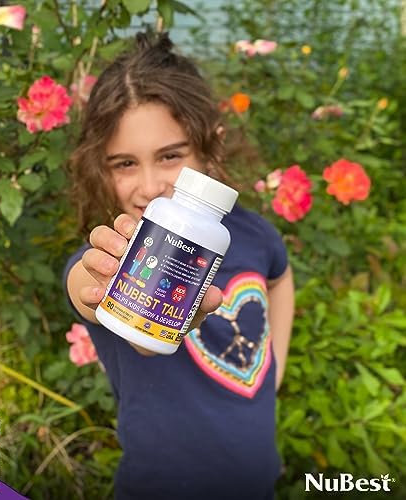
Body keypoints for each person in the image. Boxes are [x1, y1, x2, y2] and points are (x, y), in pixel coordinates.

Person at [64, 32, 294, 500]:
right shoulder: (117, 256)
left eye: (170, 156)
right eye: (124, 163)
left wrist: (273, 369)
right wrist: (108, 280)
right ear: (100, 168)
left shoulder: (254, 235)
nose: (151, 185)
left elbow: (280, 276)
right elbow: (91, 290)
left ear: (211, 146)